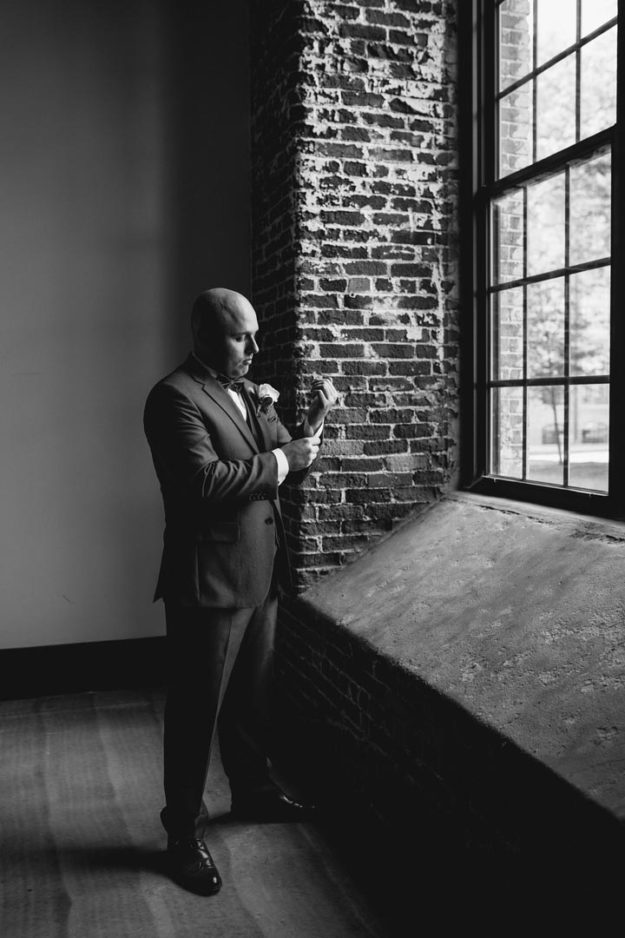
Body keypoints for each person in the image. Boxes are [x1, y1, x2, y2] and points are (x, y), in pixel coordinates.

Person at [143, 288, 338, 896]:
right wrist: (283, 459)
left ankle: (253, 793)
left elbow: (285, 461)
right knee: (196, 711)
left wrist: (311, 426)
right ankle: (183, 833)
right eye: (239, 336)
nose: (254, 347)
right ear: (203, 335)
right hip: (210, 581)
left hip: (261, 570)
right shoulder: (174, 396)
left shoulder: (252, 391)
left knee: (251, 699)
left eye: (254, 335)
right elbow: (202, 482)